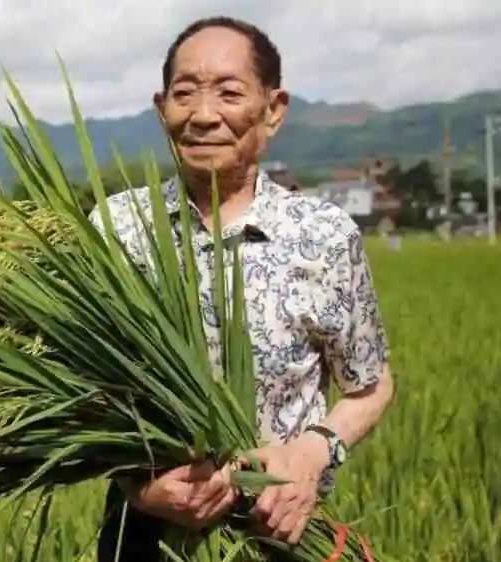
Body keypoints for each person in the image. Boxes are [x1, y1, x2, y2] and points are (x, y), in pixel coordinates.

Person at [89, 16, 395, 561]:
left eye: (229, 93)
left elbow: (369, 386)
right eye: (185, 93)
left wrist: (313, 451)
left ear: (273, 109)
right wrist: (140, 487)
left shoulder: (323, 236)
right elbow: (82, 388)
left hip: (283, 532)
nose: (204, 114)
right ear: (162, 108)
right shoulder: (117, 228)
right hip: (143, 536)